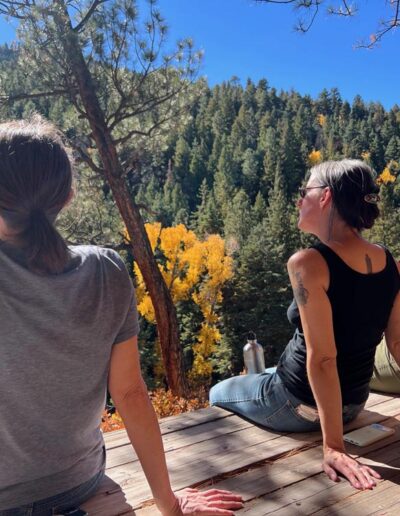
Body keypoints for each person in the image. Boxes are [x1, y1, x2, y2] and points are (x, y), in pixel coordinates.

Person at [0, 117, 243, 516]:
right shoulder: (104, 269)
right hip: (78, 484)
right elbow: (130, 394)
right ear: (67, 197)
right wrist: (169, 503)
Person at [210, 159, 400, 491]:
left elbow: (324, 358)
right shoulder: (391, 264)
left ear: (325, 196)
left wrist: (334, 447)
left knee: (218, 390)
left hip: (299, 404)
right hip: (355, 402)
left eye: (305, 191)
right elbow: (398, 345)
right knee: (266, 372)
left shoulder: (308, 263)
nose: (299, 200)